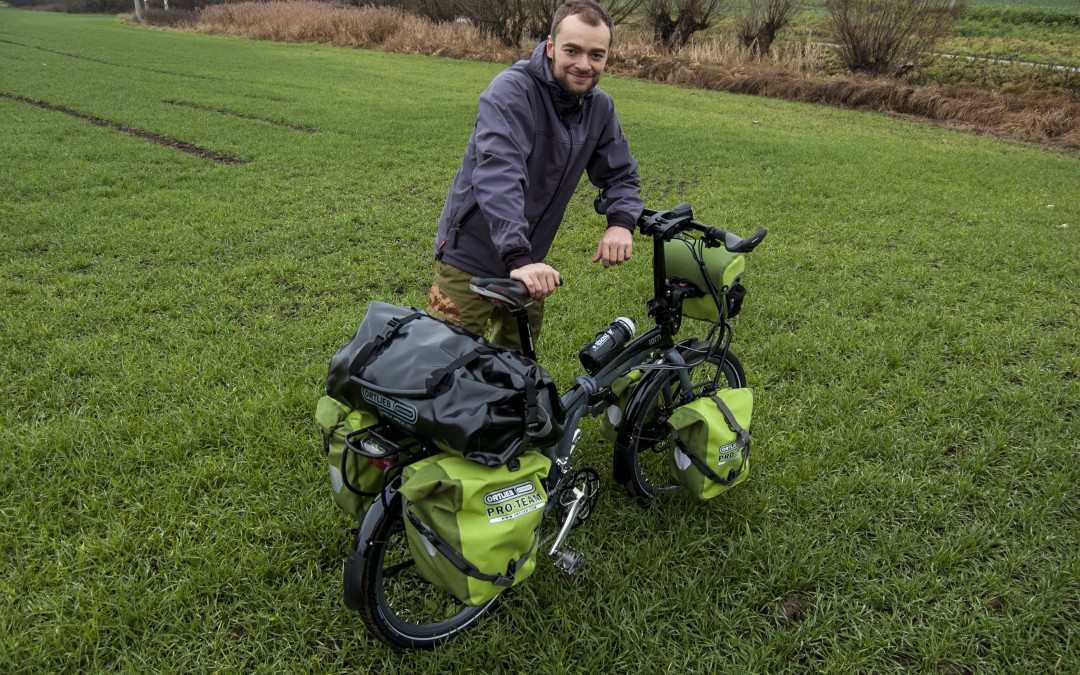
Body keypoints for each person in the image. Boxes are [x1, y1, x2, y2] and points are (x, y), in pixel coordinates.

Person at [428, 0, 644, 352]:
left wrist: (620, 221)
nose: (583, 64)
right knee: (439, 367)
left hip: (529, 264)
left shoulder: (600, 107)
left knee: (516, 375)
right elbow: (499, 175)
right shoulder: (511, 91)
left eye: (596, 55)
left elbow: (621, 174)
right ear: (550, 46)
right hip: (471, 259)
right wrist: (519, 258)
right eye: (572, 50)